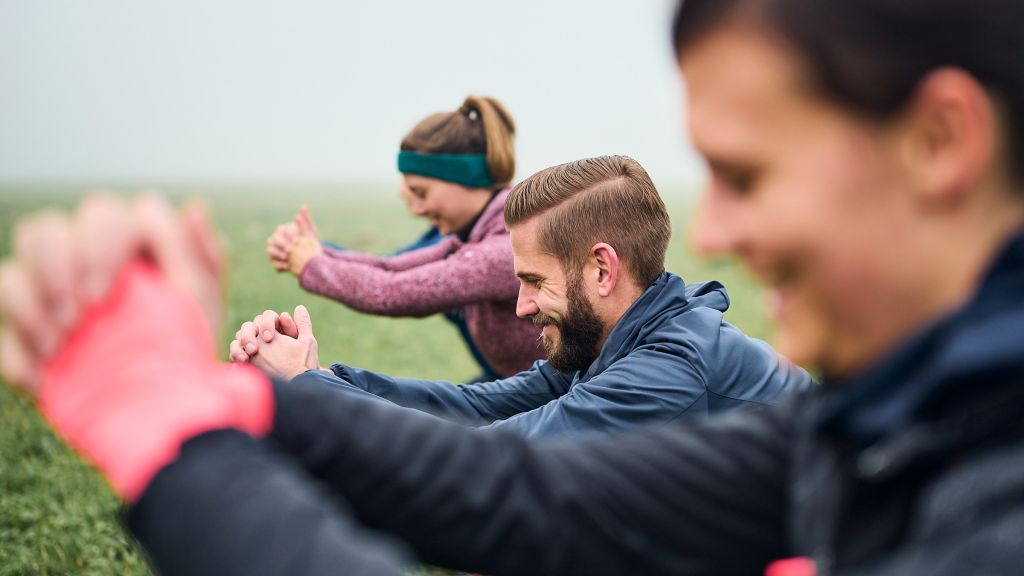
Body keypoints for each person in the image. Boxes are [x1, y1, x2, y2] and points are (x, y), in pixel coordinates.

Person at [3, 0, 1024, 574]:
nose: (711, 231)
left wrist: (165, 432)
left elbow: (501, 470)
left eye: (747, 176)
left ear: (940, 142)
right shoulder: (896, 421)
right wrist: (255, 399)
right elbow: (519, 487)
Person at [231, 156, 812, 438]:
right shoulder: (617, 339)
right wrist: (325, 379)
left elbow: (488, 460)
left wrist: (309, 394)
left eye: (533, 281)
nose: (521, 306)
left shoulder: (667, 372)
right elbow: (471, 407)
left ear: (602, 271)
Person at [265, 95, 542, 381]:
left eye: (421, 193)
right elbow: (392, 267)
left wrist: (311, 264)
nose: (417, 208)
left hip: (557, 394)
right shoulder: (477, 235)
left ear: (467, 181)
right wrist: (316, 253)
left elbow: (392, 291)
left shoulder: (505, 246)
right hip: (515, 382)